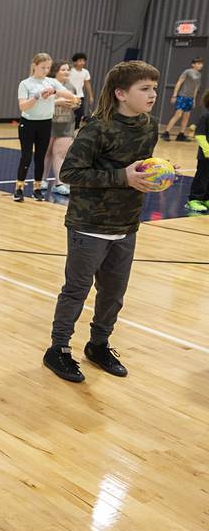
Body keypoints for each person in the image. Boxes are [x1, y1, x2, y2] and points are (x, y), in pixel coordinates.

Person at [43, 60, 160, 383]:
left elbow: (139, 166)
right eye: (145, 88)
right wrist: (122, 177)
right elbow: (69, 173)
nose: (153, 94)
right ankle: (59, 349)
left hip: (127, 223)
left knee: (113, 294)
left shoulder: (150, 126)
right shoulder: (98, 127)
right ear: (121, 93)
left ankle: (98, 345)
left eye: (154, 88)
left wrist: (156, 172)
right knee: (77, 290)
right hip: (89, 224)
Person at [14, 52, 77, 202]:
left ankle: (37, 188)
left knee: (41, 156)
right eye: (43, 67)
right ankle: (19, 188)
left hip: (45, 123)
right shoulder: (25, 83)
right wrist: (35, 98)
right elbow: (23, 106)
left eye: (48, 67)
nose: (45, 70)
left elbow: (70, 95)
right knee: (26, 156)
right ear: (35, 66)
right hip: (28, 123)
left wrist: (54, 91)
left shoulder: (51, 82)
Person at [43, 61, 80, 195]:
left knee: (60, 154)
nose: (66, 72)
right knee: (46, 153)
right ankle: (42, 180)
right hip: (49, 123)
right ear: (55, 71)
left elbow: (76, 104)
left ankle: (59, 183)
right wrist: (58, 102)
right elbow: (40, 102)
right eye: (63, 69)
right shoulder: (47, 85)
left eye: (68, 70)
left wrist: (75, 104)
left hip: (66, 125)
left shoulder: (71, 87)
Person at [161, 57, 204, 141]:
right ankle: (166, 133)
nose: (200, 65)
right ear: (193, 64)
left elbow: (196, 88)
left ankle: (181, 134)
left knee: (186, 117)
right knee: (178, 115)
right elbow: (179, 82)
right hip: (182, 96)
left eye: (201, 64)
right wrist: (174, 95)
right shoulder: (187, 72)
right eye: (198, 63)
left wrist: (194, 99)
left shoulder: (199, 75)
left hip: (190, 98)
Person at [186, 90, 209, 212]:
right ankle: (194, 199)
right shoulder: (205, 116)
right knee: (202, 177)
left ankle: (206, 198)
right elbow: (200, 135)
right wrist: (207, 151)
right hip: (206, 156)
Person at [70, 52, 94, 129]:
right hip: (69, 96)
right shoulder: (70, 70)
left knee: (80, 114)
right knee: (68, 115)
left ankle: (75, 129)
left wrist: (91, 96)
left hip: (79, 96)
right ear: (75, 62)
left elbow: (87, 84)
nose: (82, 62)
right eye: (80, 61)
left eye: (83, 61)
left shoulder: (85, 72)